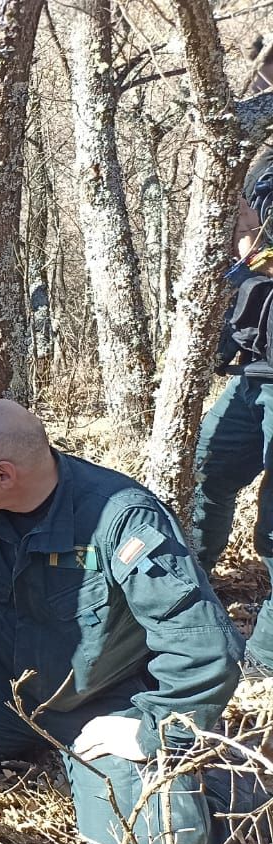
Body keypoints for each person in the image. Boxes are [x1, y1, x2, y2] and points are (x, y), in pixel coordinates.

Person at [0, 399, 248, 844]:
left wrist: (151, 728)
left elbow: (204, 645)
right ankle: (45, 746)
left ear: (5, 475)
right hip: (13, 682)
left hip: (109, 695)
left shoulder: (121, 520)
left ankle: (225, 788)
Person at [192, 141, 273, 672]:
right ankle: (191, 586)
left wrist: (251, 243)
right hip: (253, 370)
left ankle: (264, 659)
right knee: (208, 471)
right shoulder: (261, 166)